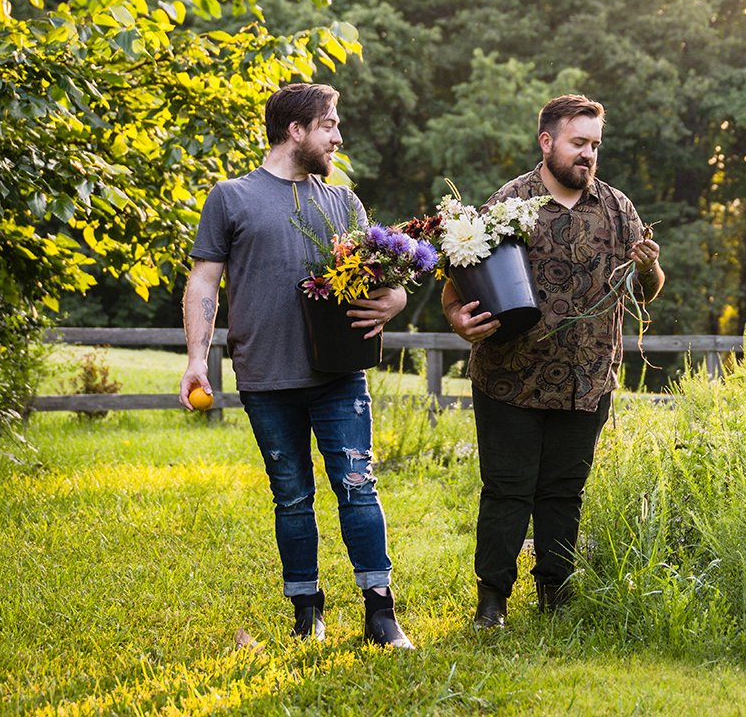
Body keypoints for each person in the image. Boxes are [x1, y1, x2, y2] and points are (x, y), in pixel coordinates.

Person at [178, 82, 414, 648]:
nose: (338, 135)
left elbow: (383, 279)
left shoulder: (344, 202)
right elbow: (204, 280)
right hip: (264, 376)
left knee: (358, 486)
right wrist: (196, 360)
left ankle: (381, 613)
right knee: (291, 497)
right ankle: (307, 612)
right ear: (297, 130)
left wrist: (396, 300)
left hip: (339, 374)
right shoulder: (231, 197)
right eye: (330, 125)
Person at [442, 94, 664, 628]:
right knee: (507, 491)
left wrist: (649, 268)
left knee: (564, 494)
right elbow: (458, 282)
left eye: (594, 145)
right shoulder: (508, 205)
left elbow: (647, 291)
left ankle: (556, 599)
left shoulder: (616, 207)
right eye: (578, 143)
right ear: (548, 142)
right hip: (510, 378)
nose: (588, 155)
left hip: (587, 381)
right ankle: (491, 601)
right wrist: (457, 319)